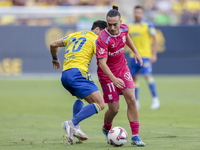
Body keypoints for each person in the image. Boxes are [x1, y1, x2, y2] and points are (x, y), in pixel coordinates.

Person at [50, 20, 107, 145]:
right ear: (97, 29)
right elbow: (104, 61)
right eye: (104, 33)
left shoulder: (74, 35)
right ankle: (71, 123)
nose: (104, 36)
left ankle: (76, 129)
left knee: (80, 97)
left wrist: (55, 59)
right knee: (100, 104)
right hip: (78, 74)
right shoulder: (96, 40)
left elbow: (53, 44)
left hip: (65, 75)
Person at [96, 5, 145, 146]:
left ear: (120, 22)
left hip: (122, 70)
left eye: (115, 24)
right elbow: (102, 64)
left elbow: (126, 37)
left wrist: (135, 51)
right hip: (107, 75)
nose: (111, 27)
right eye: (109, 24)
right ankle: (106, 128)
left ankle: (135, 136)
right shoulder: (102, 39)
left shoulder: (124, 28)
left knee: (131, 99)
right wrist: (113, 79)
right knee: (114, 109)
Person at [128, 5, 160, 110]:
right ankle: (136, 102)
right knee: (134, 78)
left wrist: (154, 54)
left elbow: (155, 39)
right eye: (136, 12)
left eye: (139, 13)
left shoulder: (148, 25)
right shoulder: (130, 26)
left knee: (147, 76)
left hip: (145, 56)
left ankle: (155, 100)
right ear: (134, 13)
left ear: (142, 14)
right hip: (133, 56)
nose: (137, 14)